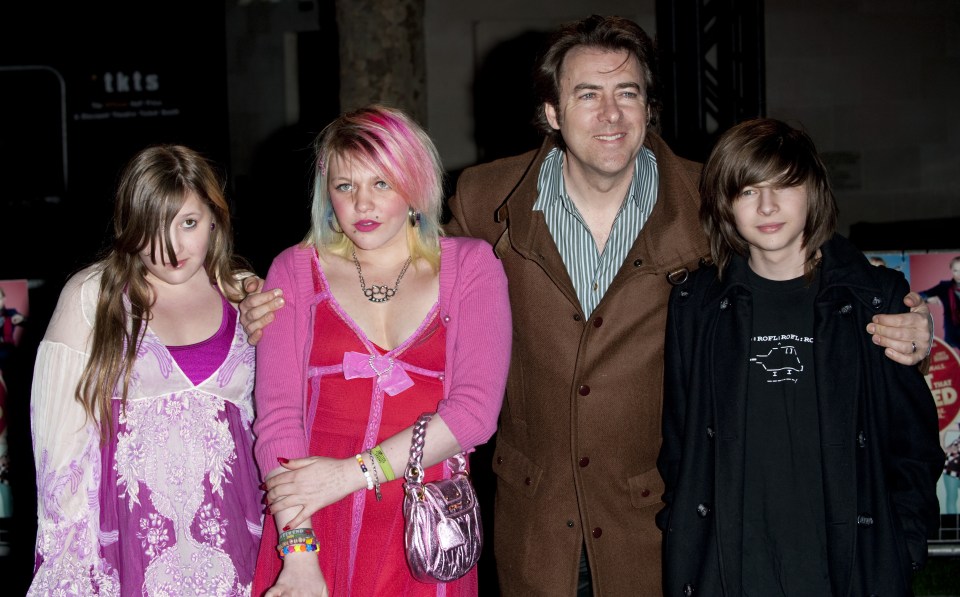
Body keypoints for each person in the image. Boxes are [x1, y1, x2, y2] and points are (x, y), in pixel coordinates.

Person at [238, 16, 934, 596]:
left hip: (658, 532)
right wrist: (258, 302)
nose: (611, 115)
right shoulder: (487, 200)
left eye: (628, 94)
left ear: (649, 107)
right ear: (550, 111)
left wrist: (894, 303)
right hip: (531, 532)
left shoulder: (703, 201)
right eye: (589, 94)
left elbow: (797, 243)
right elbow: (398, 257)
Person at [657, 118, 943, 596]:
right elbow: (679, 440)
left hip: (847, 566)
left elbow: (913, 443)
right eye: (748, 191)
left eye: (785, 186)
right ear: (726, 203)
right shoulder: (696, 305)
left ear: (814, 192)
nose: (767, 206)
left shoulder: (874, 299)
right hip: (730, 567)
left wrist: (905, 544)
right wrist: (683, 530)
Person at [250, 104, 511, 597]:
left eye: (381, 184)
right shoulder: (295, 270)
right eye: (345, 186)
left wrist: (349, 475)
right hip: (309, 524)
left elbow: (475, 414)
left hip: (424, 527)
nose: (362, 205)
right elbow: (278, 422)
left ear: (414, 185)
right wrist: (299, 552)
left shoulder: (472, 267)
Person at [27, 145, 263, 595]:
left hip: (236, 548)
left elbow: (270, 429)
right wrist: (72, 573)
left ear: (215, 218)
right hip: (125, 554)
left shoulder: (242, 294)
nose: (171, 246)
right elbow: (58, 462)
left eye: (188, 223)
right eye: (152, 227)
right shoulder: (91, 297)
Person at [919, 256, 960, 350]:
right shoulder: (944, 286)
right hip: (952, 333)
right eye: (955, 270)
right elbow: (920, 295)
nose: (959, 274)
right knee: (947, 359)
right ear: (951, 270)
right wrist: (928, 300)